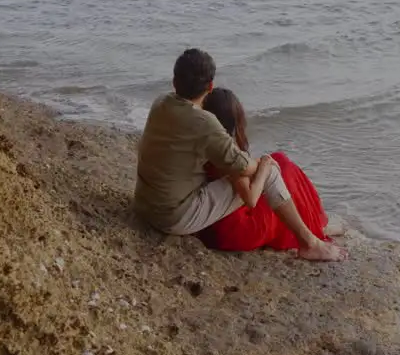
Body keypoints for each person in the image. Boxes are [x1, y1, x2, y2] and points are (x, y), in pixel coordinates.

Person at [133, 48, 344, 262]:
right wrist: (264, 164)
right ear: (210, 86)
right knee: (271, 170)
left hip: (145, 204)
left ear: (174, 82)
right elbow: (245, 169)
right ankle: (310, 243)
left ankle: (315, 227)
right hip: (172, 217)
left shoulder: (161, 102)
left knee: (271, 166)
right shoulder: (204, 123)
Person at [195, 87, 343, 252]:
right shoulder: (228, 153)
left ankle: (315, 224)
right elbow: (250, 198)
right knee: (282, 168)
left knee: (278, 161)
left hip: (211, 225)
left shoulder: (201, 144)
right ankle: (315, 229)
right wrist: (264, 169)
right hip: (235, 233)